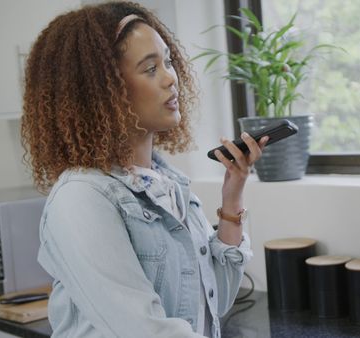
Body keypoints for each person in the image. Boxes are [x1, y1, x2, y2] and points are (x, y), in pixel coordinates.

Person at [20, 2, 267, 337]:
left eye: (167, 61)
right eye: (150, 68)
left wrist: (232, 197)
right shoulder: (80, 199)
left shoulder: (169, 185)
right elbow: (144, 330)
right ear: (102, 92)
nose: (170, 77)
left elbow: (216, 303)